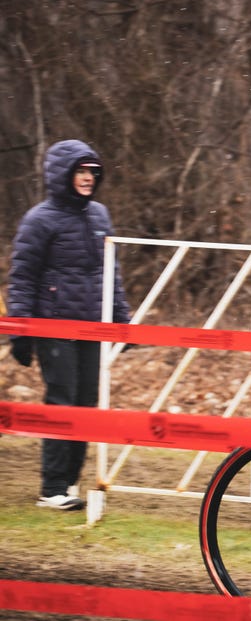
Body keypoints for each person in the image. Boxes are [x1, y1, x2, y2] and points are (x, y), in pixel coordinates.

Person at [6, 139, 132, 511]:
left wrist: (122, 319)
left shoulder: (99, 215)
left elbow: (111, 271)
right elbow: (22, 277)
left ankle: (70, 482)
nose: (87, 179)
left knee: (86, 404)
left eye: (92, 172)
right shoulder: (39, 220)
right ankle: (52, 486)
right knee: (61, 400)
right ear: (63, 175)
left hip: (92, 327)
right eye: (80, 171)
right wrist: (20, 329)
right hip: (53, 326)